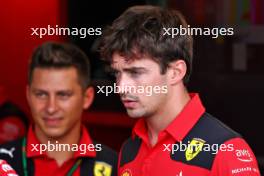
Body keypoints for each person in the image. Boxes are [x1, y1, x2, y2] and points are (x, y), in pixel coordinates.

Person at [99, 5, 260, 176]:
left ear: (176, 72)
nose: (121, 86)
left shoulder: (227, 151)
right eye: (117, 73)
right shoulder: (129, 150)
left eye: (136, 73)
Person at [0, 42, 117, 176]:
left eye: (63, 95)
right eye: (41, 94)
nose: (51, 108)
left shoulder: (115, 166)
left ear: (87, 97)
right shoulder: (2, 162)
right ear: (28, 95)